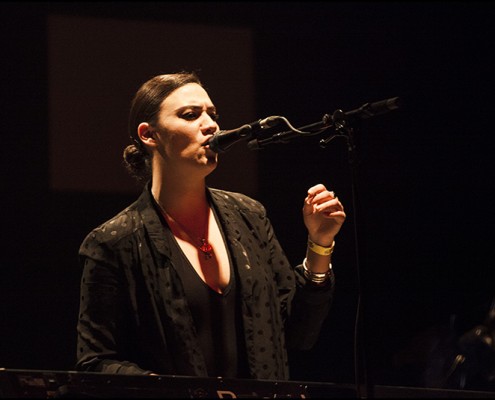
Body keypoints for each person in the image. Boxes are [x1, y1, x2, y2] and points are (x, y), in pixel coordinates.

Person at [75, 71, 346, 380]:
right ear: (149, 135)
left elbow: (297, 333)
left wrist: (320, 244)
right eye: (190, 115)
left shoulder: (250, 216)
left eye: (213, 115)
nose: (212, 125)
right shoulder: (113, 241)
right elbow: (95, 362)